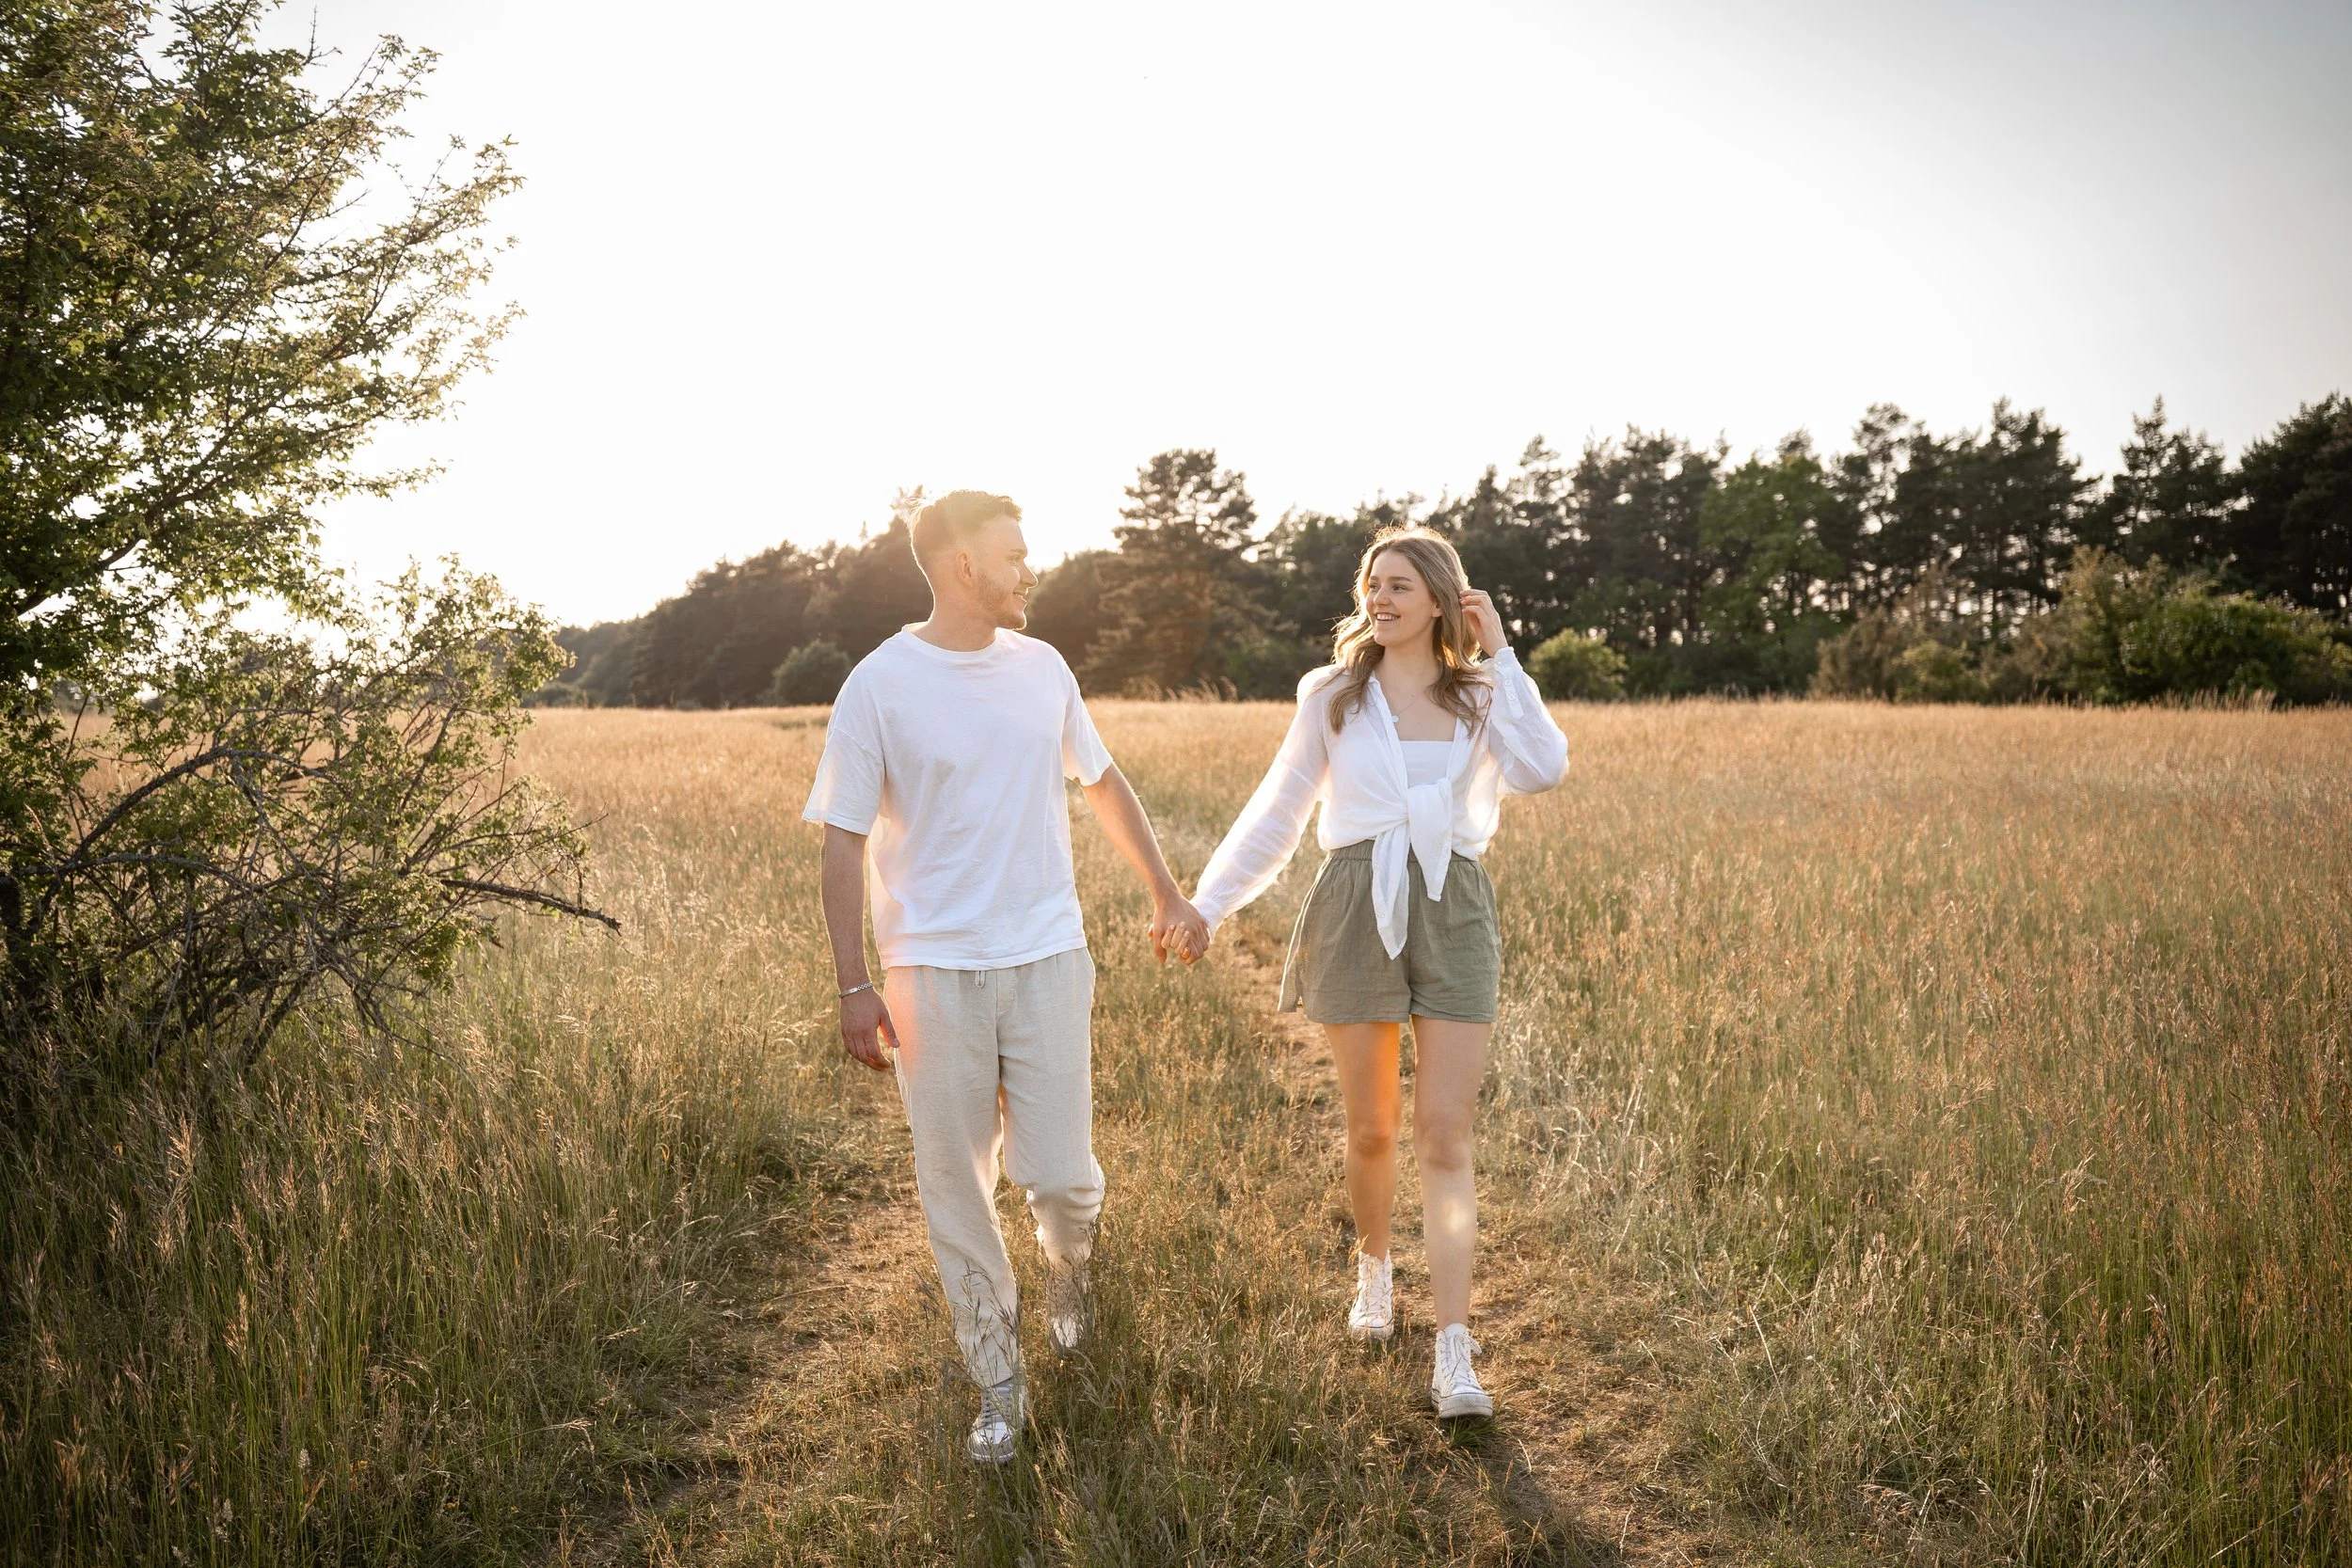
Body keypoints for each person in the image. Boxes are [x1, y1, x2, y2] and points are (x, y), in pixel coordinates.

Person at [803, 490, 1209, 1465]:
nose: (1031, 569)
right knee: (957, 1185)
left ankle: (1067, 1276)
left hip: (1046, 955)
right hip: (929, 970)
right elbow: (843, 839)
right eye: (1015, 554)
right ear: (959, 568)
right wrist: (854, 985)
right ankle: (998, 1381)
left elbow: (1101, 780)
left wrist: (1166, 891)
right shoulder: (879, 683)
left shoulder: (1045, 668)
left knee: (1064, 1177)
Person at [1187, 526, 1568, 1418]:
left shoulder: (1482, 694)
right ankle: (1372, 1267)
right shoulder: (1332, 694)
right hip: (1358, 900)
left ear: (1442, 597)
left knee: (1445, 1133)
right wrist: (1209, 905)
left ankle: (1454, 1348)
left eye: (1400, 583)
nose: (1380, 597)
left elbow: (1544, 766)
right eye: (1371, 583)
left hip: (1456, 904)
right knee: (1373, 1129)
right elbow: (1279, 811)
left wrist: (1503, 651)